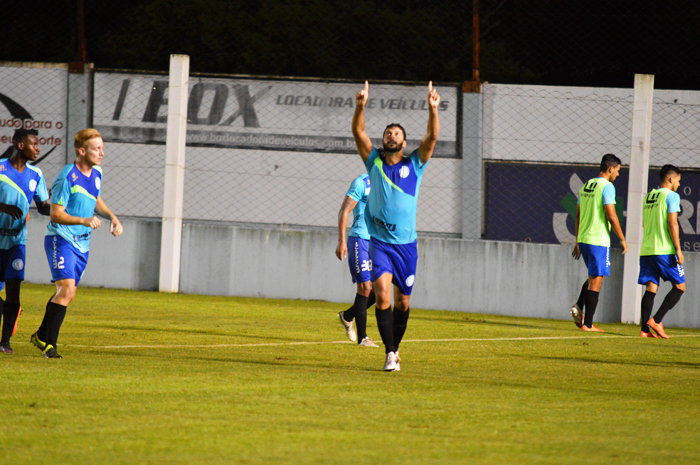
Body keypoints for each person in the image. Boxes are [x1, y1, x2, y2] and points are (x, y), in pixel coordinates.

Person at [351, 81, 440, 371]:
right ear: (384, 140)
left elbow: (432, 138)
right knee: (382, 295)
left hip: (407, 247)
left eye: (397, 134)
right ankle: (390, 354)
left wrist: (433, 109)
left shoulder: (414, 164)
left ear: (404, 143)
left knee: (403, 303)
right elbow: (359, 132)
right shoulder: (374, 162)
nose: (392, 135)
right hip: (380, 244)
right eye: (388, 132)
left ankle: (395, 346)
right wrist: (360, 107)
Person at [30, 128, 123, 359]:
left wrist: (112, 217)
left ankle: (41, 334)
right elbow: (55, 214)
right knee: (67, 289)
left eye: (102, 147)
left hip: (82, 243)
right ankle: (50, 345)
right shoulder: (67, 176)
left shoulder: (97, 173)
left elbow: (96, 197)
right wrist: (83, 219)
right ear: (82, 151)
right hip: (61, 238)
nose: (102, 153)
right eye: (97, 148)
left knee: (66, 293)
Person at [0, 129, 51, 354]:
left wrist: (63, 210)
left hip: (16, 243)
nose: (38, 148)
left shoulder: (36, 174)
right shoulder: (0, 169)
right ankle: (10, 311)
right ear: (20, 146)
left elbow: (43, 206)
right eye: (34, 144)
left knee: (13, 292)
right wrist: (3, 207)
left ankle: (4, 343)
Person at [570, 154, 628, 332]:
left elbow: (578, 215)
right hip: (598, 240)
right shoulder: (607, 186)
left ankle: (579, 307)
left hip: (584, 239)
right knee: (597, 280)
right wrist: (622, 239)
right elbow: (611, 214)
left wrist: (577, 240)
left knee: (593, 276)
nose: (618, 174)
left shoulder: (586, 185)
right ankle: (588, 324)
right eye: (617, 171)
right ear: (610, 169)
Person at [637, 165, 685, 339]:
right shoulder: (672, 196)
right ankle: (656, 320)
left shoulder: (648, 197)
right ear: (671, 179)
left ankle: (644, 330)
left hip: (647, 249)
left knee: (651, 288)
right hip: (664, 249)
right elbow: (672, 223)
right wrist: (678, 250)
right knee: (680, 287)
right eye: (678, 181)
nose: (678, 185)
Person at [335, 173, 379, 347]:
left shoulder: (390, 185)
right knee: (365, 287)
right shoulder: (362, 183)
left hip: (378, 242)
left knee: (377, 292)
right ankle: (363, 338)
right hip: (360, 239)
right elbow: (344, 210)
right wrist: (342, 240)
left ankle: (347, 316)